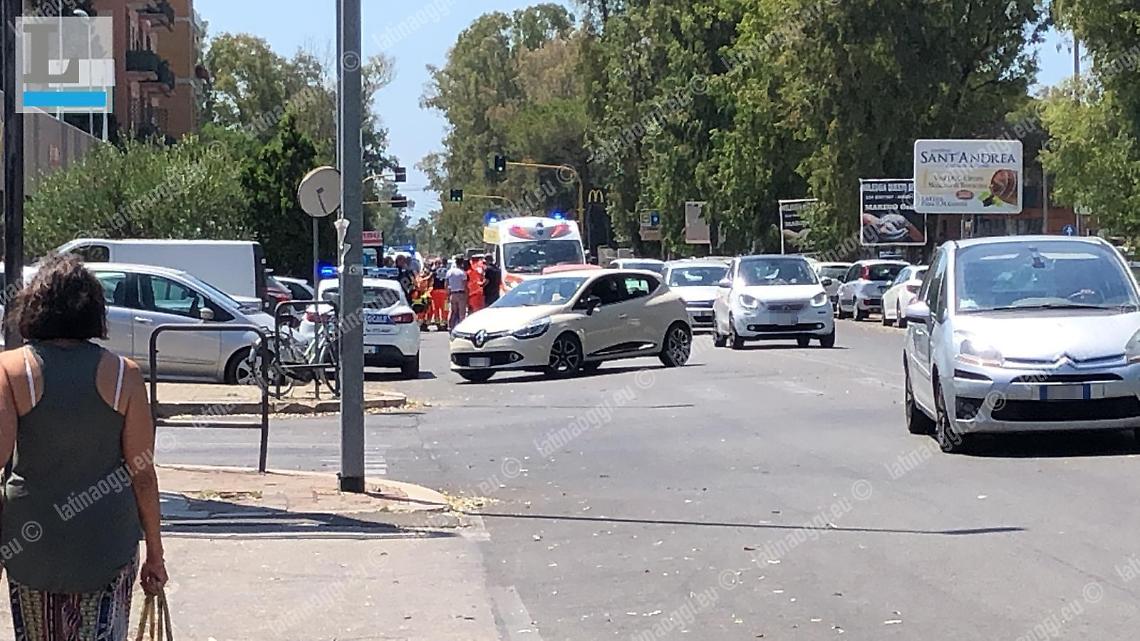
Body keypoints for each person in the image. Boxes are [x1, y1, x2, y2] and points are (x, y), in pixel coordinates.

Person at [0, 254, 167, 640]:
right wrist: (155, 553)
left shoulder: (10, 371)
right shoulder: (126, 375)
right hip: (107, 539)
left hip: (30, 539)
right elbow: (142, 473)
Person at [447, 256, 469, 330]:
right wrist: (467, 296)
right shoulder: (462, 273)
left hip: (452, 293)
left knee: (453, 311)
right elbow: (465, 285)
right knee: (461, 312)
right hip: (461, 293)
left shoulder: (449, 272)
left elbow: (446, 284)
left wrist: (448, 294)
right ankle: (461, 328)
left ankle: (450, 326)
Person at [430, 258, 448, 328]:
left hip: (435, 291)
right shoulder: (446, 271)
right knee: (444, 308)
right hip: (443, 291)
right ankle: (444, 322)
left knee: (436, 308)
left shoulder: (433, 271)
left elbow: (431, 281)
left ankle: (438, 322)